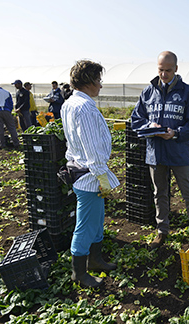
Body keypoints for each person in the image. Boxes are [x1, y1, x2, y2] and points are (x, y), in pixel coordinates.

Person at [131, 51, 189, 250]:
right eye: (161, 70)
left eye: (168, 70)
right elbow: (136, 119)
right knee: (159, 193)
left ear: (176, 69)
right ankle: (162, 231)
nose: (164, 74)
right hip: (156, 152)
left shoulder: (188, 93)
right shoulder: (148, 92)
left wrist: (176, 133)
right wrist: (150, 126)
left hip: (179, 152)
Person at [61, 60, 120, 288]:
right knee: (85, 225)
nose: (100, 86)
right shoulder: (84, 108)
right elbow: (92, 148)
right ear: (88, 81)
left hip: (82, 170)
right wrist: (102, 177)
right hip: (89, 176)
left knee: (96, 222)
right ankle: (79, 273)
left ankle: (95, 260)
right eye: (98, 80)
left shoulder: (70, 103)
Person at [0, 80, 20, 148]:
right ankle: (16, 142)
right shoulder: (6, 92)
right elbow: (11, 103)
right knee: (11, 127)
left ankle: (2, 144)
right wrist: (9, 110)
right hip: (7, 110)